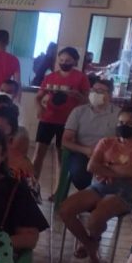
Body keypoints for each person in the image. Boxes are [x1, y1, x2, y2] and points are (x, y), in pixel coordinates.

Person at [58, 105, 132, 263]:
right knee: (65, 209)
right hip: (97, 187)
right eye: (121, 122)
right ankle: (90, 244)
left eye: (130, 123)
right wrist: (120, 170)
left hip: (122, 193)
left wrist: (107, 167)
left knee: (96, 218)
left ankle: (92, 244)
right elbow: (91, 167)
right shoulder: (106, 142)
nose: (123, 126)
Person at [32, 46, 90, 182]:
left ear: (75, 61)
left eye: (68, 60)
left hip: (68, 123)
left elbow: (86, 102)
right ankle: (32, 185)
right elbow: (38, 97)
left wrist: (77, 95)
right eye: (61, 60)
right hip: (48, 119)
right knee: (38, 154)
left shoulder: (81, 78)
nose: (64, 63)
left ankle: (58, 192)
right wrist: (39, 108)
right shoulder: (50, 77)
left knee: (61, 157)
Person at [62, 78, 120, 191]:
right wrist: (86, 150)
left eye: (100, 91)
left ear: (110, 95)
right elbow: (65, 140)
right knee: (79, 173)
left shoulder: (118, 114)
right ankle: (90, 198)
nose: (95, 94)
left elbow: (122, 139)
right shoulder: (79, 112)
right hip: (83, 153)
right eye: (93, 90)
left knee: (114, 177)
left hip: (108, 155)